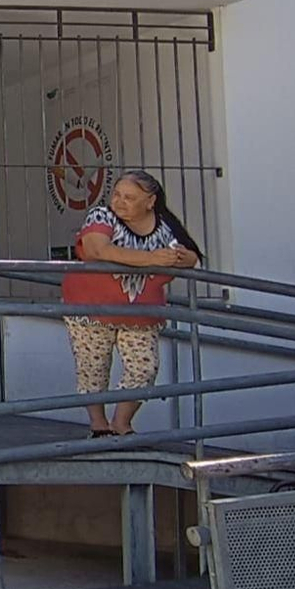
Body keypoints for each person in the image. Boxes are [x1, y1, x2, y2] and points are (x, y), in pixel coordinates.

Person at [63, 171, 201, 437]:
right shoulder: (101, 216)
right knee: (93, 367)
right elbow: (97, 250)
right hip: (91, 307)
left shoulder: (165, 226)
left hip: (140, 312)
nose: (119, 201)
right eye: (116, 194)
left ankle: (121, 423)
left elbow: (190, 256)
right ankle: (98, 426)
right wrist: (151, 259)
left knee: (144, 368)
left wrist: (180, 258)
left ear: (150, 202)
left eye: (129, 197)